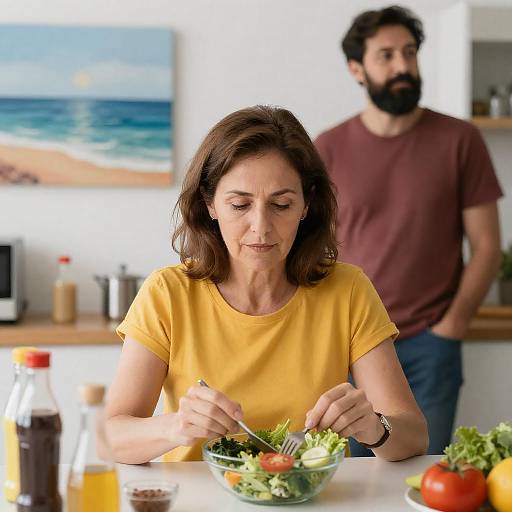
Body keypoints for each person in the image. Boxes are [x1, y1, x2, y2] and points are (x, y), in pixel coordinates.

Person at [104, 105, 428, 464]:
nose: (261, 227)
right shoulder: (167, 293)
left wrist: (375, 427)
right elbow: (110, 438)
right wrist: (174, 427)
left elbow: (413, 435)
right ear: (210, 204)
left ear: (306, 205)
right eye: (240, 205)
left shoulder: (347, 289)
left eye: (282, 204)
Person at [315, 6, 503, 456]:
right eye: (386, 56)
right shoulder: (327, 148)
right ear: (357, 69)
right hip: (349, 347)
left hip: (428, 345)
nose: (402, 66)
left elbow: (487, 246)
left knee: (418, 478)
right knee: (348, 484)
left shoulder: (460, 140)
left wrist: (451, 326)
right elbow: (310, 248)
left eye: (409, 53)